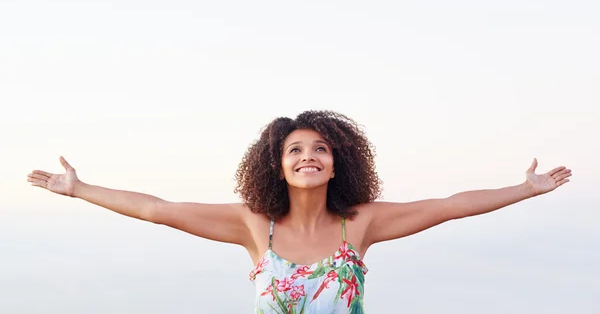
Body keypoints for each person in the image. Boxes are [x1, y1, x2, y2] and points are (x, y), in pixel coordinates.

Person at [27, 110, 571, 313]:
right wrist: (80, 189)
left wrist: (524, 189)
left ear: (337, 165)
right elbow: (157, 209)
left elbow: (449, 206)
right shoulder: (252, 226)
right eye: (295, 150)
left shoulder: (360, 224)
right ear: (278, 166)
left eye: (320, 149)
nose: (308, 156)